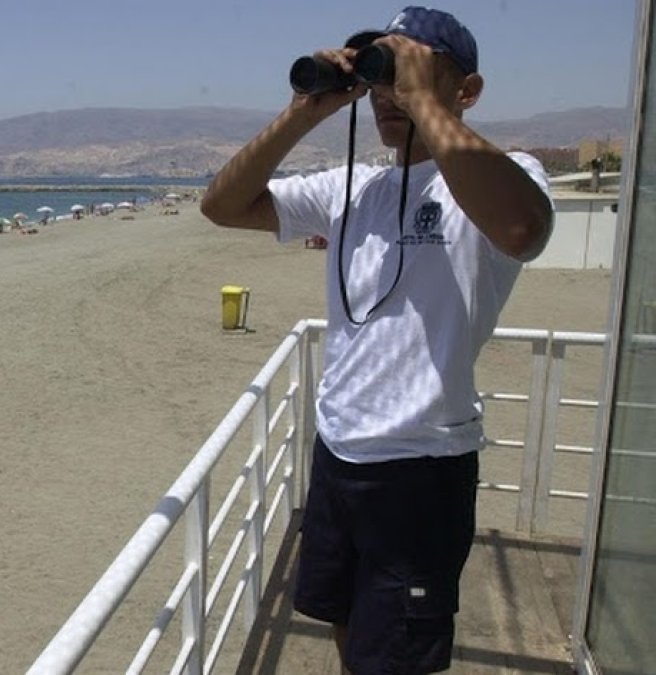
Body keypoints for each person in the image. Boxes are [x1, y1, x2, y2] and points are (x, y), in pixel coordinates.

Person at [200, 7, 552, 674]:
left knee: (397, 656)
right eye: (379, 74)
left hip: (421, 469)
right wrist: (305, 111)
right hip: (339, 451)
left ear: (466, 90)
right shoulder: (353, 187)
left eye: (406, 68)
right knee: (344, 618)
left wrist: (422, 99)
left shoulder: (507, 174)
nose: (387, 91)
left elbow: (521, 231)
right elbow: (221, 205)